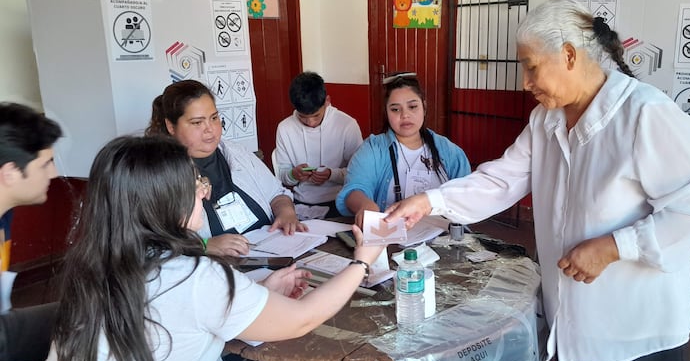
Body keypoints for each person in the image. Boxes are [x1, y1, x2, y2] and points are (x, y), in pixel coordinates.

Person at [384, 0, 690, 361]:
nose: (526, 82)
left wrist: (615, 246)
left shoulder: (645, 114)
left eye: (531, 66)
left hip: (635, 333)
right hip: (575, 325)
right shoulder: (546, 121)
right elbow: (501, 181)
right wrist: (430, 200)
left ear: (568, 55)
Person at [35, 135, 384, 361]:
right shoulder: (192, 275)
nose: (204, 193)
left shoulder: (94, 265)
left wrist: (260, 295)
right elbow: (302, 319)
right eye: (196, 184)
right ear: (167, 202)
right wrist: (362, 261)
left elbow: (177, 318)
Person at [147, 80, 307, 257]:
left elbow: (276, 193)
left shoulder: (236, 153)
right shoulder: (156, 173)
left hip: (270, 253)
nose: (210, 129)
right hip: (215, 272)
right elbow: (147, 246)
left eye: (214, 118)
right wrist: (204, 246)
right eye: (197, 123)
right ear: (171, 126)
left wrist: (286, 212)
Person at [336, 72, 471, 226]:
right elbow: (355, 187)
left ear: (424, 107)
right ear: (386, 113)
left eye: (412, 107)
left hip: (442, 239)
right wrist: (365, 205)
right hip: (392, 238)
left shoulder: (450, 152)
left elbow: (466, 198)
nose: (405, 115)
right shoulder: (373, 149)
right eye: (395, 109)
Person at [0, 102, 62, 361]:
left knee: (92, 311)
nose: (54, 173)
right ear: (10, 172)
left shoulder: (5, 214)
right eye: (45, 163)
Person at [274, 71, 363, 219]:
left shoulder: (346, 125)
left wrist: (331, 174)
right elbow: (283, 174)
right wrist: (293, 174)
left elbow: (359, 173)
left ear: (327, 101)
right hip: (300, 202)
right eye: (303, 117)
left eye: (316, 116)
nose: (311, 123)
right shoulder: (285, 128)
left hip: (340, 201)